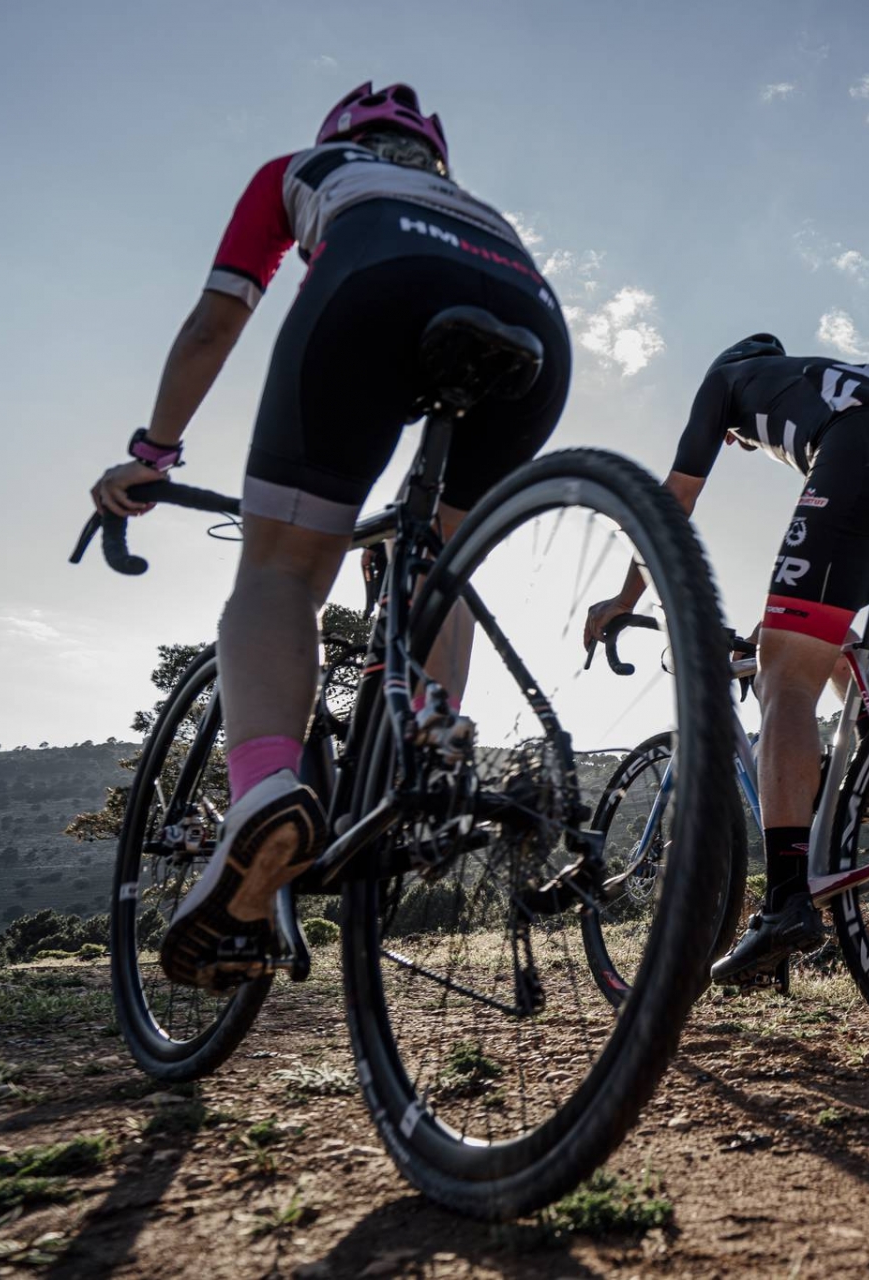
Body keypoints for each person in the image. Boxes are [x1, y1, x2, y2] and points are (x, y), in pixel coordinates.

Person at [90, 83, 571, 990]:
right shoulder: (472, 203)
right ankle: (427, 761)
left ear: (341, 137)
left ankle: (268, 795)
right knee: (441, 563)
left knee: (281, 570)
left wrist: (153, 452)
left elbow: (214, 321)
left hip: (375, 278)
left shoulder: (300, 171)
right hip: (532, 319)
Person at [582, 335, 869, 981]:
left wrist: (623, 598)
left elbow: (671, 502)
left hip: (859, 457)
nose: (740, 443)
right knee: (813, 633)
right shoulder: (829, 375)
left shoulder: (727, 376)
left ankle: (786, 900)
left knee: (783, 677)